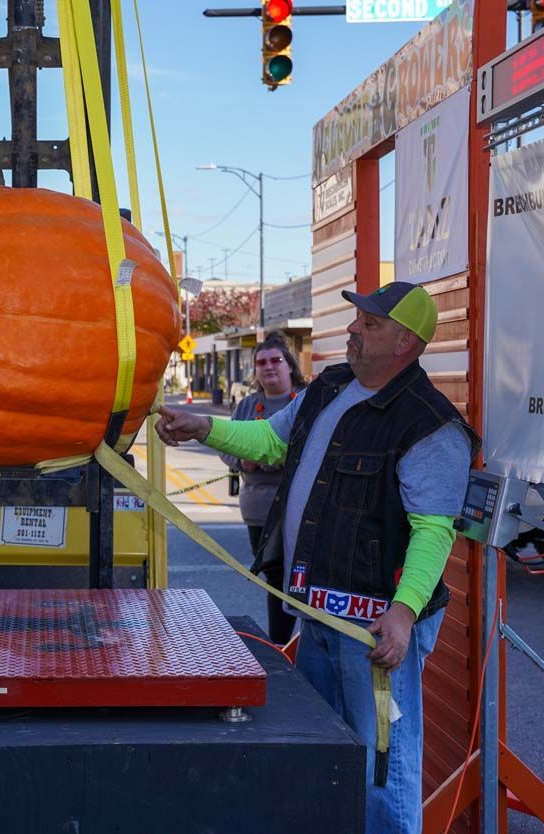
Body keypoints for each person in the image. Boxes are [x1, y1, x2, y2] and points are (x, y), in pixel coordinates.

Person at [156, 282, 478, 834]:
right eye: (358, 319)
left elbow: (432, 532)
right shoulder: (330, 386)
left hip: (372, 632)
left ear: (405, 342)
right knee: (325, 760)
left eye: (370, 325)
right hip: (320, 615)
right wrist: (203, 427)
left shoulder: (431, 425)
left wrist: (402, 615)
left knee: (384, 772)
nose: (353, 329)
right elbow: (272, 441)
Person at [218, 331, 306, 645]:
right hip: (258, 509)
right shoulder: (247, 407)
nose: (269, 367)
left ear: (290, 366)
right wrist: (243, 463)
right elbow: (226, 445)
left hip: (300, 507)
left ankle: (288, 642)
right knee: (273, 576)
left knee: (298, 576)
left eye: (275, 360)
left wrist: (276, 460)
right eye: (261, 362)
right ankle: (282, 643)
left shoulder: (307, 400)